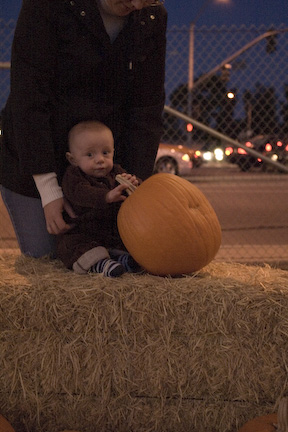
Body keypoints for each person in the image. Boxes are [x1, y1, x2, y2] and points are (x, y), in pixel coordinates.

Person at [0, 0, 167, 258]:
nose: (136, 5)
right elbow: (30, 99)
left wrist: (133, 184)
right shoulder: (47, 6)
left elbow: (146, 109)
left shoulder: (151, 17)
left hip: (104, 169)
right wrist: (49, 189)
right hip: (36, 159)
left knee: (113, 258)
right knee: (50, 258)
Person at [57, 120, 141, 277]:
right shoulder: (73, 176)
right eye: (90, 154)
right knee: (76, 247)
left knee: (127, 245)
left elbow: (136, 195)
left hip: (111, 233)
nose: (100, 159)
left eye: (105, 152)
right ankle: (100, 265)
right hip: (84, 233)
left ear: (113, 152)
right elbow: (80, 193)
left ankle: (121, 260)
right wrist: (106, 196)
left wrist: (134, 184)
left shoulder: (116, 172)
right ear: (72, 159)